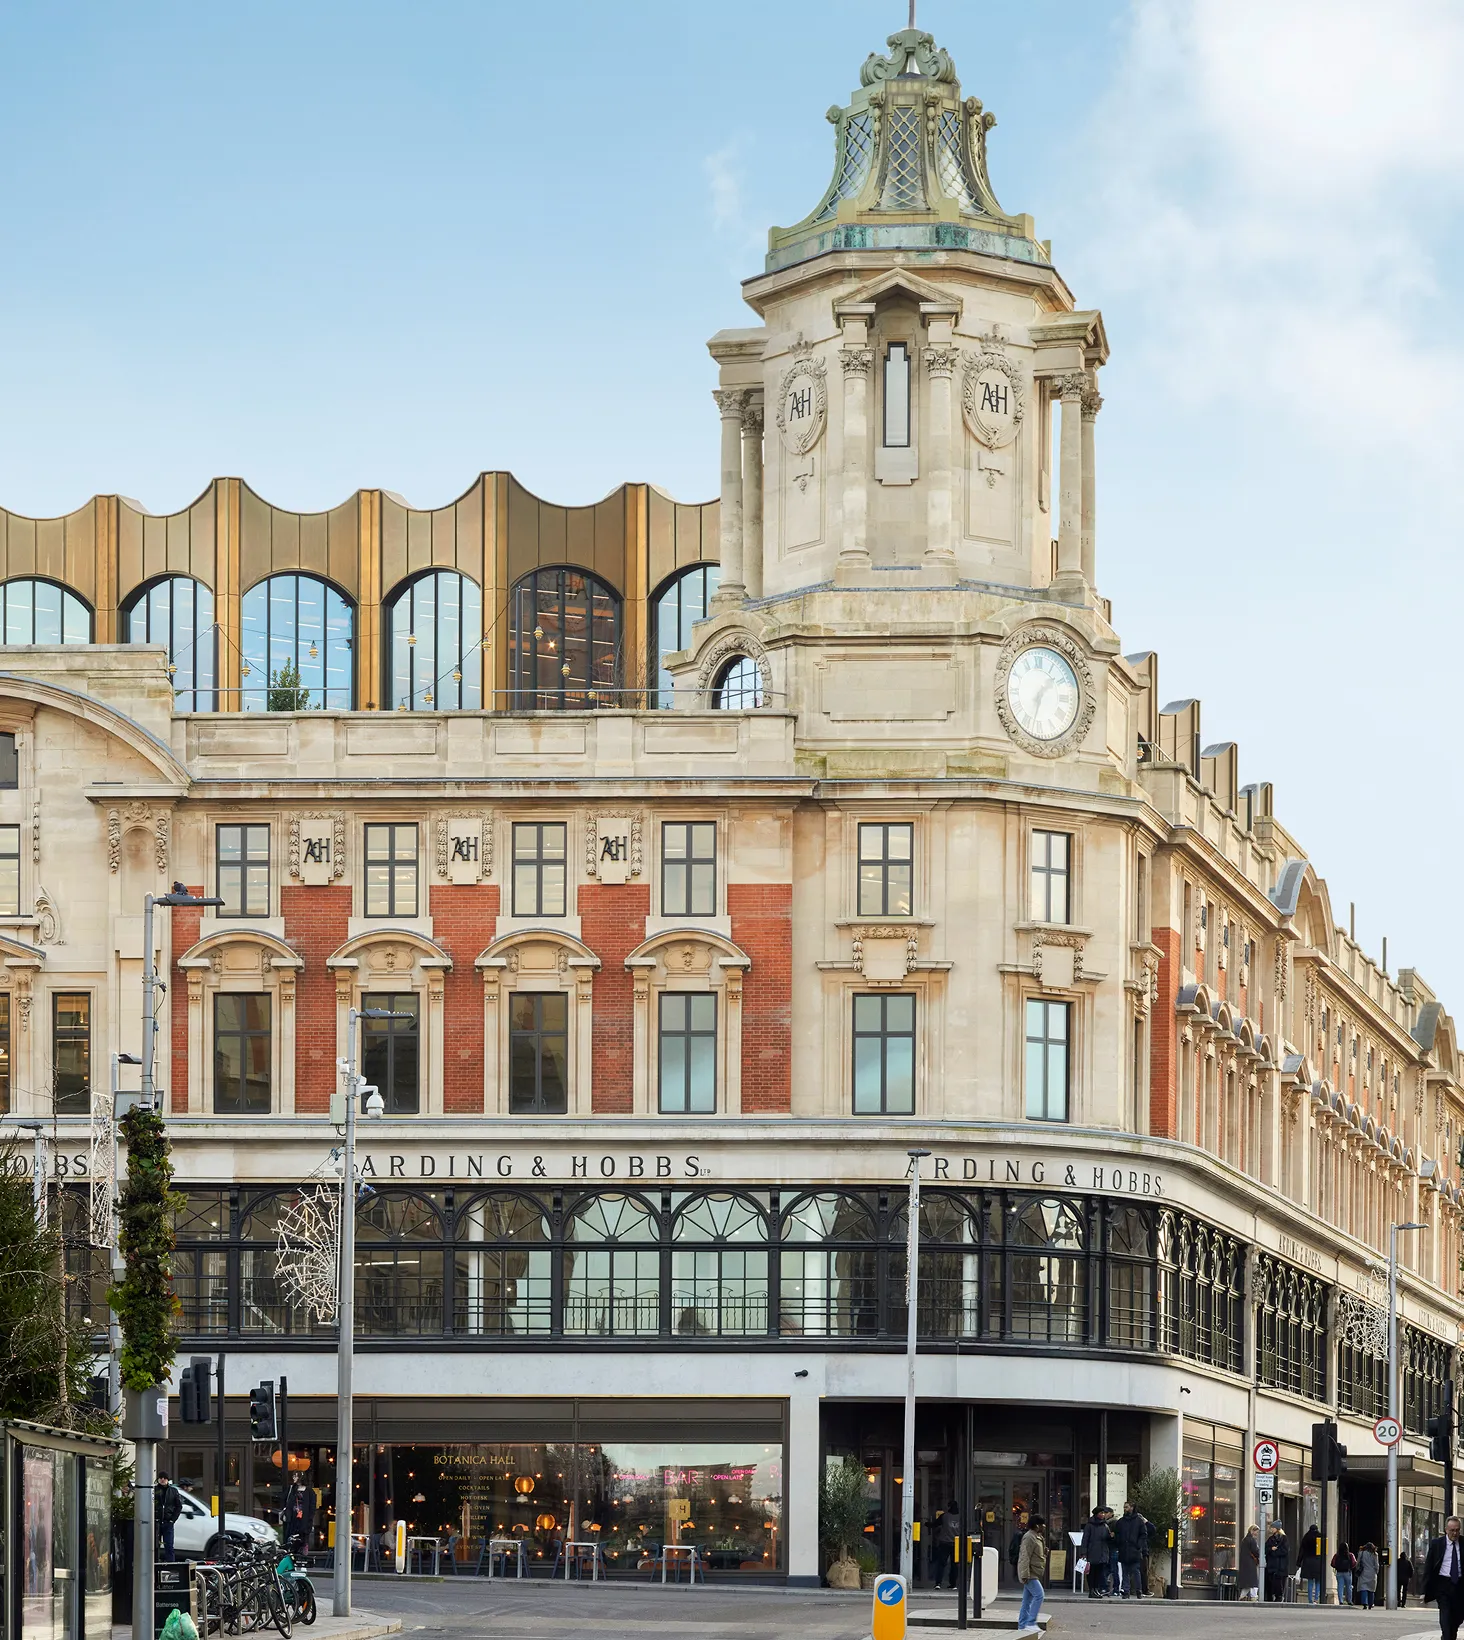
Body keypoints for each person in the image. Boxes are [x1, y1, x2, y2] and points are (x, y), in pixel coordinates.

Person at [1425, 1518, 1464, 1640]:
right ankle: (1446, 1636)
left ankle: (1451, 1634)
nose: (1455, 1533)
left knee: (1457, 1617)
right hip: (1443, 1585)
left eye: (1457, 1530)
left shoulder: (1463, 1543)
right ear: (1446, 1530)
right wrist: (1424, 1589)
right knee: (1445, 1616)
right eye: (1452, 1530)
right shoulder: (1437, 1543)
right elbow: (1428, 1566)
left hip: (1460, 1585)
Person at [1015, 1513, 1048, 1639]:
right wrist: (1024, 1574)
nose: (1044, 1526)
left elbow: (1035, 1555)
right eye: (1042, 1524)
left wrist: (1044, 1553)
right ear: (1036, 1525)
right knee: (1039, 1595)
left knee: (1027, 1600)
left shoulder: (1037, 1536)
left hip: (1033, 1571)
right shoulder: (1029, 1537)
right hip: (1030, 1573)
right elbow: (1025, 1556)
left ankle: (1022, 1625)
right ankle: (1030, 1622)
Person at [1114, 1501, 1148, 1599]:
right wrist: (1119, 1543)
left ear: (1132, 1508)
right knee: (1125, 1572)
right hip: (1124, 1550)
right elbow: (1117, 1534)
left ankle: (1138, 1591)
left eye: (1126, 1507)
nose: (1124, 1509)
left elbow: (1143, 1534)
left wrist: (1138, 1545)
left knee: (1135, 1571)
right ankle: (1126, 1591)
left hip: (1134, 1550)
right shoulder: (1120, 1522)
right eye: (1124, 1507)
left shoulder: (1139, 1521)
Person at [1080, 1506, 1112, 1598]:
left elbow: (1107, 1538)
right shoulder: (1090, 1525)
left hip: (1102, 1552)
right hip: (1092, 1551)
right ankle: (1091, 1590)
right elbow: (1085, 1539)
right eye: (1100, 1513)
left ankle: (1096, 1589)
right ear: (1096, 1514)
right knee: (1091, 1573)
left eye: (1103, 1513)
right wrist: (1084, 1552)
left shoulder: (1105, 1525)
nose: (1102, 1515)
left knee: (1099, 1573)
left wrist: (1111, 1537)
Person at [931, 1502, 960, 1590]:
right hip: (956, 1543)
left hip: (944, 1542)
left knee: (941, 1564)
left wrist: (926, 1524)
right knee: (954, 1564)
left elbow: (935, 1524)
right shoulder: (961, 1517)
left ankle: (938, 1583)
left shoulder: (944, 1516)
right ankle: (953, 1584)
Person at [156, 1471, 183, 1562]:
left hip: (168, 1522)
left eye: (164, 1478)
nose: (163, 1479)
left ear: (168, 1479)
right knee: (155, 1546)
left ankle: (171, 1565)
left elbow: (178, 1506)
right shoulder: (155, 1490)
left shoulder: (173, 1491)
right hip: (156, 1522)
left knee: (169, 1545)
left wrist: (172, 1520)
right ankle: (155, 1564)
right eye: (161, 1478)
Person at [283, 1477, 315, 1552]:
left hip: (304, 1519)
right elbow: (288, 1502)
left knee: (303, 1539)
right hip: (293, 1519)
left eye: (296, 1476)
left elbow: (312, 1506)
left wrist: (310, 1518)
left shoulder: (309, 1491)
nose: (294, 1478)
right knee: (292, 1539)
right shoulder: (293, 1489)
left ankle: (303, 1551)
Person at [1299, 1524, 1325, 1605]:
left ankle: (1310, 1599)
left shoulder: (1306, 1537)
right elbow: (1323, 1551)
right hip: (1318, 1561)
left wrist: (1299, 1562)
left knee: (1310, 1581)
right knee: (1318, 1581)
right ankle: (1316, 1599)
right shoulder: (1320, 1537)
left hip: (1308, 1561)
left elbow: (1301, 1551)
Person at [1264, 1522, 1289, 1602]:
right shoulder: (1270, 1539)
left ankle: (1279, 1597)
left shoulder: (1284, 1539)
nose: (1271, 1529)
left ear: (1276, 1529)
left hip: (1280, 1566)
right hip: (1271, 1566)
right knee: (1270, 1583)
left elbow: (1285, 1551)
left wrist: (1274, 1552)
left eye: (1272, 1527)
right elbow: (1265, 1549)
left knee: (1278, 1583)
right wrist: (1271, 1549)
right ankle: (1270, 1597)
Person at [1238, 1524, 1260, 1601]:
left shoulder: (1244, 1540)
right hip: (1251, 1563)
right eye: (1256, 1532)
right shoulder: (1252, 1540)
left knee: (1247, 1583)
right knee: (1253, 1581)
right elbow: (1256, 1552)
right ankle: (1254, 1596)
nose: (1257, 1534)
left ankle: (1243, 1596)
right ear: (1252, 1531)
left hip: (1244, 1563)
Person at [1332, 1539, 1356, 1607]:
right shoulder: (1350, 1555)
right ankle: (1349, 1600)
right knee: (1349, 1587)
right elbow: (1354, 1563)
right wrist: (1350, 1567)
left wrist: (1337, 1567)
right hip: (1347, 1572)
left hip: (1339, 1572)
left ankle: (1341, 1601)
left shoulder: (1336, 1555)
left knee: (1340, 1587)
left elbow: (1332, 1563)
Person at [1355, 1542, 1378, 1609]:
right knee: (1371, 1589)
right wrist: (1376, 1571)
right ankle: (1371, 1603)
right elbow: (1377, 1565)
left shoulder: (1361, 1553)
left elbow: (1358, 1562)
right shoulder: (1375, 1554)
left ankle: (1365, 1603)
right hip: (1372, 1573)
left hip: (1363, 1572)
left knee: (1364, 1588)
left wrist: (1357, 1569)